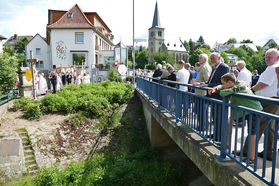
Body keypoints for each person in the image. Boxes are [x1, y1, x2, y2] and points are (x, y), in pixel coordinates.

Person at [209, 73, 263, 163]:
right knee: (229, 122)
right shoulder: (234, 85)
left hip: (254, 110)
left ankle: (252, 158)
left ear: (230, 82)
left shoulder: (239, 85)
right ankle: (226, 145)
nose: (222, 85)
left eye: (224, 83)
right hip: (244, 110)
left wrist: (222, 90)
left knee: (252, 133)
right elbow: (221, 87)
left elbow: (222, 93)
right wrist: (215, 88)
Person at [251, 48, 279, 161]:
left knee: (257, 125)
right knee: (269, 127)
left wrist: (252, 90)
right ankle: (269, 152)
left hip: (268, 101)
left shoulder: (273, 68)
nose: (267, 59)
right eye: (266, 56)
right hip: (272, 100)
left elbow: (263, 84)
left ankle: (247, 151)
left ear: (277, 57)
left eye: (270, 57)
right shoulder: (274, 67)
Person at [200, 52, 230, 141]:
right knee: (215, 117)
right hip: (214, 96)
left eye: (213, 58)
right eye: (211, 58)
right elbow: (211, 80)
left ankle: (220, 137)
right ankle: (216, 134)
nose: (211, 60)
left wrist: (208, 86)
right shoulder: (215, 67)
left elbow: (223, 84)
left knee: (220, 118)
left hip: (220, 97)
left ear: (219, 58)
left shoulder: (224, 67)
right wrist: (204, 84)